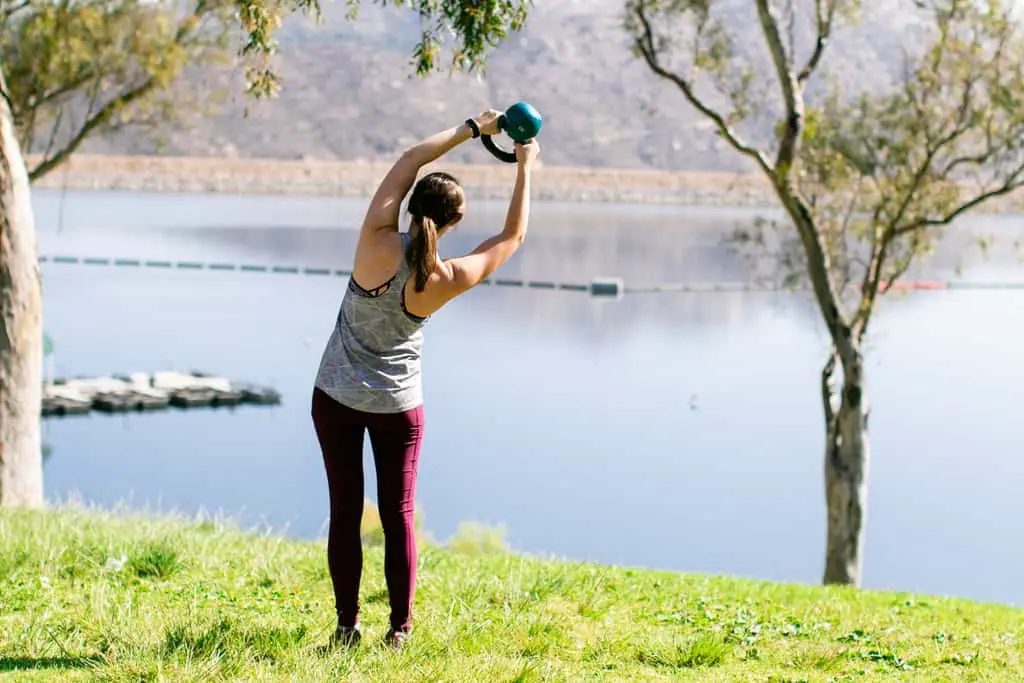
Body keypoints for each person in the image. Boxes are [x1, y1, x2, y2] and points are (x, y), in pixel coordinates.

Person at [310, 109, 540, 650]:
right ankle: (400, 630)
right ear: (454, 224)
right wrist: (525, 164)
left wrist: (471, 130)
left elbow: (410, 159)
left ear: (411, 206)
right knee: (399, 516)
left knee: (344, 511)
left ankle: (347, 626)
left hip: (335, 398)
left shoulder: (374, 239)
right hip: (398, 408)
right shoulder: (446, 277)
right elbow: (513, 235)